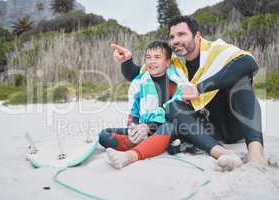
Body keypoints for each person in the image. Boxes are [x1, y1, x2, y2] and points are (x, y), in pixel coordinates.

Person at [111, 16, 267, 170]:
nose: (176, 40)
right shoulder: (174, 62)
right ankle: (221, 153)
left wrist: (200, 88)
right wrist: (126, 61)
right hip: (207, 130)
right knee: (173, 106)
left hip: (235, 124)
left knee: (240, 81)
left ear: (197, 36)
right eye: (172, 37)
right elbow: (135, 74)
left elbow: (249, 63)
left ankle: (256, 155)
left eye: (181, 34)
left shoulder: (217, 50)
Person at [99, 41, 187, 169]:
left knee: (168, 127)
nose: (151, 61)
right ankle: (144, 143)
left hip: (165, 127)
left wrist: (149, 127)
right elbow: (134, 111)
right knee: (104, 135)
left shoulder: (175, 82)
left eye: (157, 57)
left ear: (167, 62)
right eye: (148, 57)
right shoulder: (141, 81)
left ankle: (133, 154)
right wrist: (133, 128)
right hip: (143, 128)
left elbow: (174, 113)